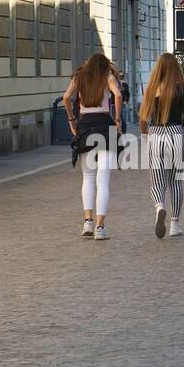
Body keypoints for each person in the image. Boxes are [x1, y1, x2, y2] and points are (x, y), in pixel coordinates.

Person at [139, 53, 184, 238]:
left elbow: (143, 117)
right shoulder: (181, 89)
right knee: (175, 182)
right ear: (176, 68)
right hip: (176, 133)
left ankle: (159, 208)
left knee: (157, 181)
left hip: (156, 134)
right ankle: (174, 225)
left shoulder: (151, 88)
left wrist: (144, 136)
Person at [63, 53, 122, 240]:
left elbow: (66, 97)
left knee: (88, 177)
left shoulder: (79, 77)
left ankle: (87, 221)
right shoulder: (108, 76)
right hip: (105, 124)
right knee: (103, 180)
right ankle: (100, 227)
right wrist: (118, 118)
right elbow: (118, 95)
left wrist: (72, 119)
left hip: (85, 125)